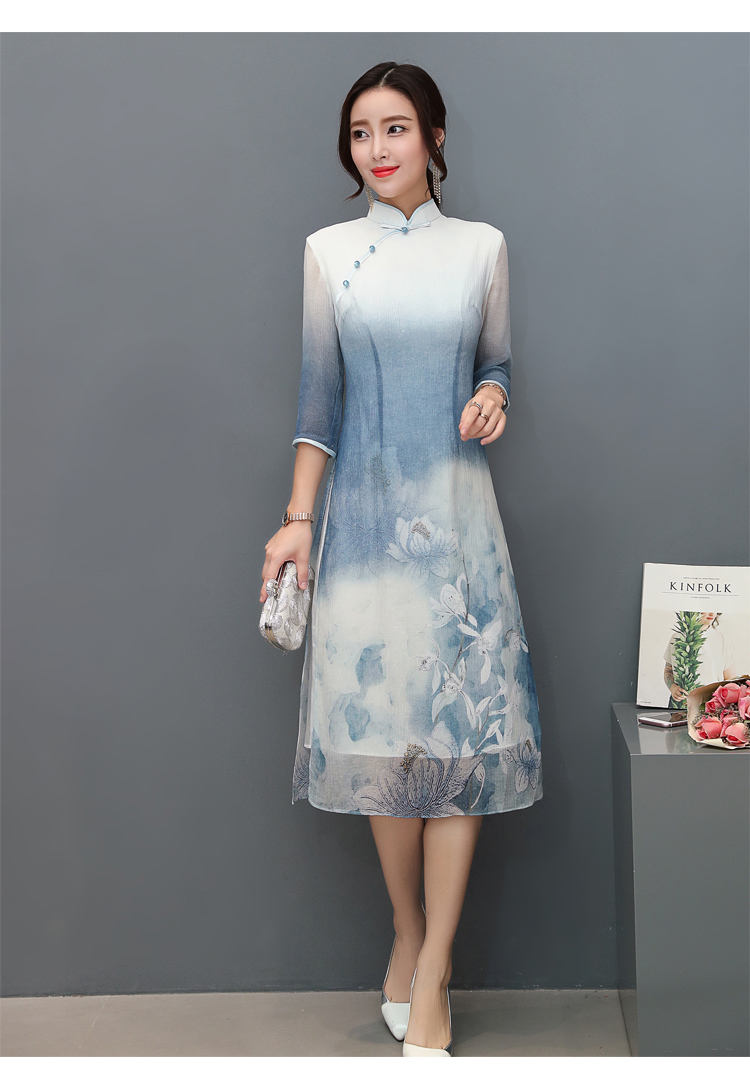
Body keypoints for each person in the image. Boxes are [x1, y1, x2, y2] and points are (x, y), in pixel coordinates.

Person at [260, 61, 543, 1056]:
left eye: (395, 127)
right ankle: (409, 929)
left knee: (459, 743)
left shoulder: (483, 248)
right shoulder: (329, 253)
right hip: (368, 537)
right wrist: (297, 519)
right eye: (360, 132)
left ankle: (434, 971)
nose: (377, 148)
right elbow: (318, 402)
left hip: (460, 530)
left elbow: (494, 361)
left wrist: (494, 395)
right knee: (386, 746)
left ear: (434, 135)